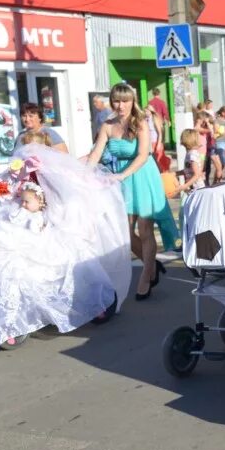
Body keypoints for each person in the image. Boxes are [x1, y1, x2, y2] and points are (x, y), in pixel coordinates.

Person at [0, 148, 129, 348]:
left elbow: (67, 193)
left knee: (59, 266)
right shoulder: (20, 187)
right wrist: (15, 176)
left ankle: (91, 303)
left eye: (27, 201)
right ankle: (4, 317)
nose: (23, 203)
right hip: (20, 230)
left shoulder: (51, 181)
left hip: (45, 231)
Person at [87, 83, 177, 300]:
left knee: (145, 229)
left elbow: (143, 155)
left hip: (142, 175)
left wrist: (121, 175)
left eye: (125, 101)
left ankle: (146, 275)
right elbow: (96, 153)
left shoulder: (141, 122)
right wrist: (83, 175)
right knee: (124, 231)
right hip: (121, 179)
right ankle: (151, 264)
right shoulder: (107, 125)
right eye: (117, 101)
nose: (121, 105)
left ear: (132, 101)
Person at [175, 129, 206, 194]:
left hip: (197, 189)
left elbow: (197, 174)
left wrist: (185, 186)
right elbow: (189, 170)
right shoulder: (190, 153)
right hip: (194, 189)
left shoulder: (192, 155)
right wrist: (176, 173)